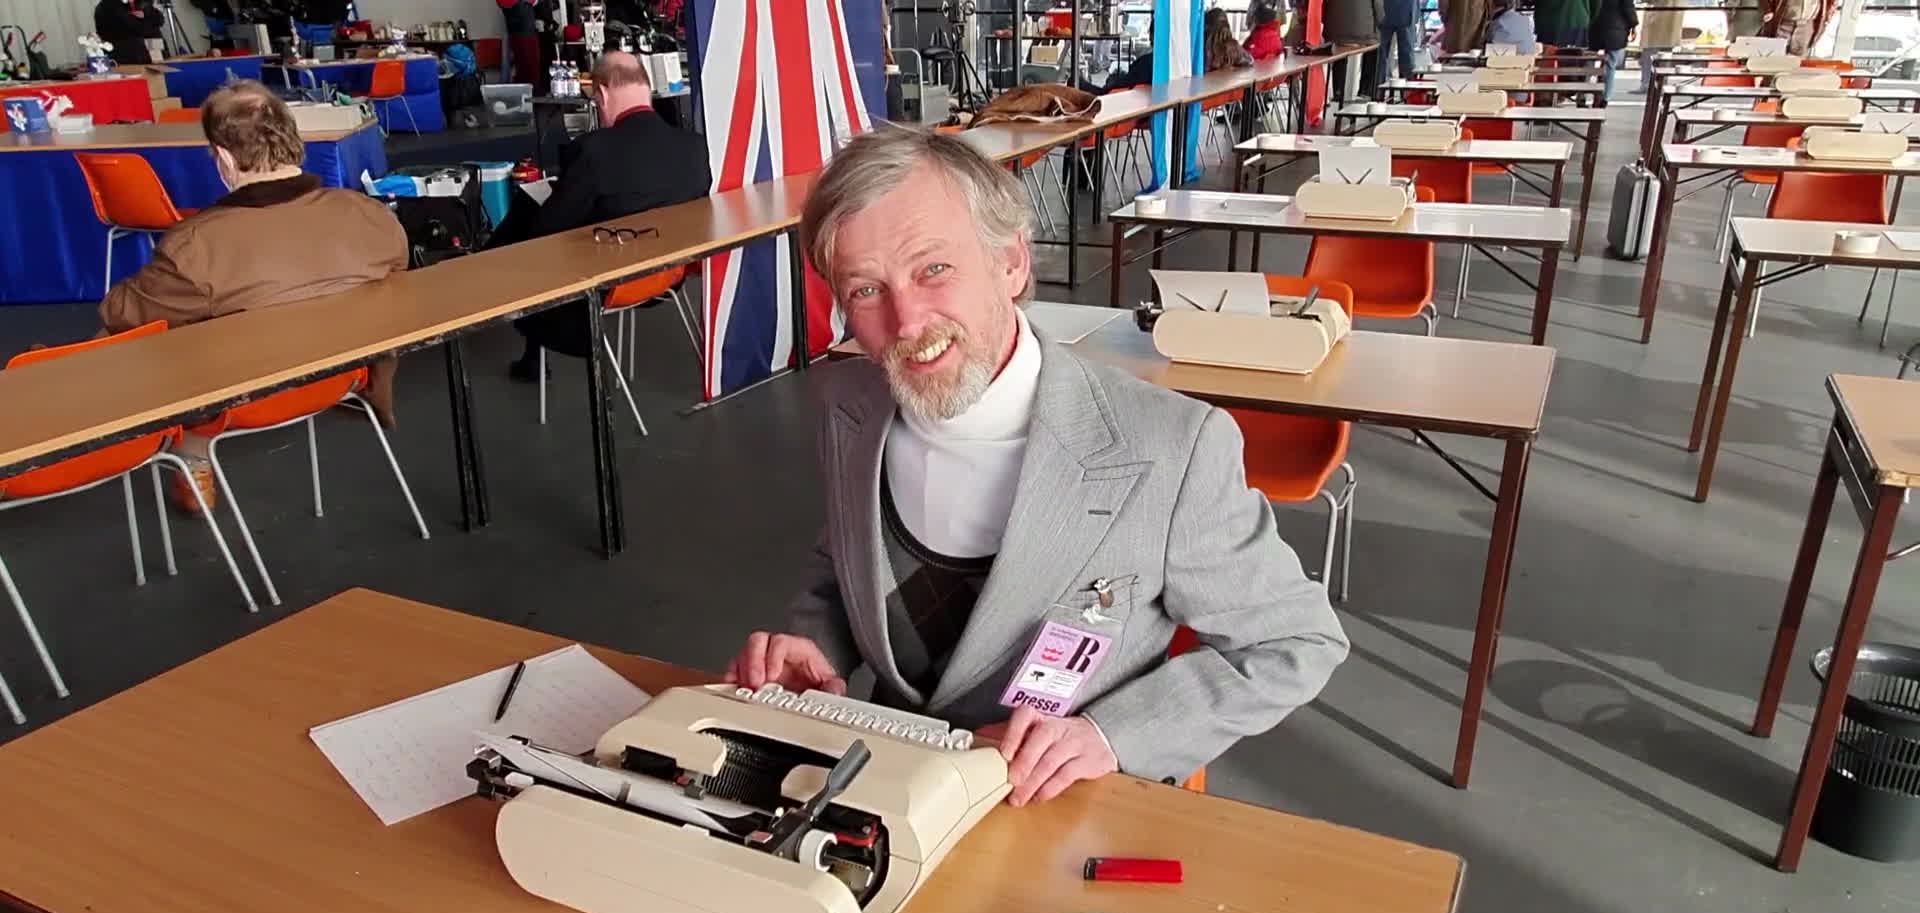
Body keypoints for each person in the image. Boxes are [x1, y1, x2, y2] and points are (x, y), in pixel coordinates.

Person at [726, 128, 1349, 806]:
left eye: (933, 270)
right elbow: (842, 562)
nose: (906, 321)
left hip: (1055, 804)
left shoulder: (1171, 449)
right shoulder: (851, 407)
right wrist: (814, 642)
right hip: (889, 786)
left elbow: (1297, 640)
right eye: (867, 289)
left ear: (1012, 264)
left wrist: (1110, 735)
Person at [98, 80, 408, 509]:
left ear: (224, 158)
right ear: (295, 142)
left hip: (250, 397)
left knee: (151, 338)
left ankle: (192, 454)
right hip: (345, 376)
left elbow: (120, 314)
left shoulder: (196, 244)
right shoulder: (369, 213)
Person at [493, 50, 710, 380]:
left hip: (611, 283)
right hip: (669, 275)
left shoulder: (594, 150)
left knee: (527, 220)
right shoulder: (694, 147)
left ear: (603, 94)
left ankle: (482, 289)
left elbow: (548, 230)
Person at [1588, 0, 1637, 102]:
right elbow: (1628, 7)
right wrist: (1633, 24)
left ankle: (1582, 95)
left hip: (1595, 27)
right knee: (1610, 64)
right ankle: (1605, 97)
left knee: (1589, 61)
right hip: (1616, 29)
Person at [92, 0, 162, 66]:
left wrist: (145, 15)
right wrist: (147, 20)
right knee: (150, 32)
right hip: (124, 52)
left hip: (143, 48)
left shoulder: (138, 3)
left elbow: (160, 19)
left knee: (154, 33)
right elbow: (133, 26)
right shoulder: (109, 5)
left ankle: (157, 61)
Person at [1377, 0, 1419, 93]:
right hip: (1406, 9)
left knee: (1380, 53)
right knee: (1406, 54)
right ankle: (1408, 93)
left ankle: (1376, 91)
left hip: (1385, 9)